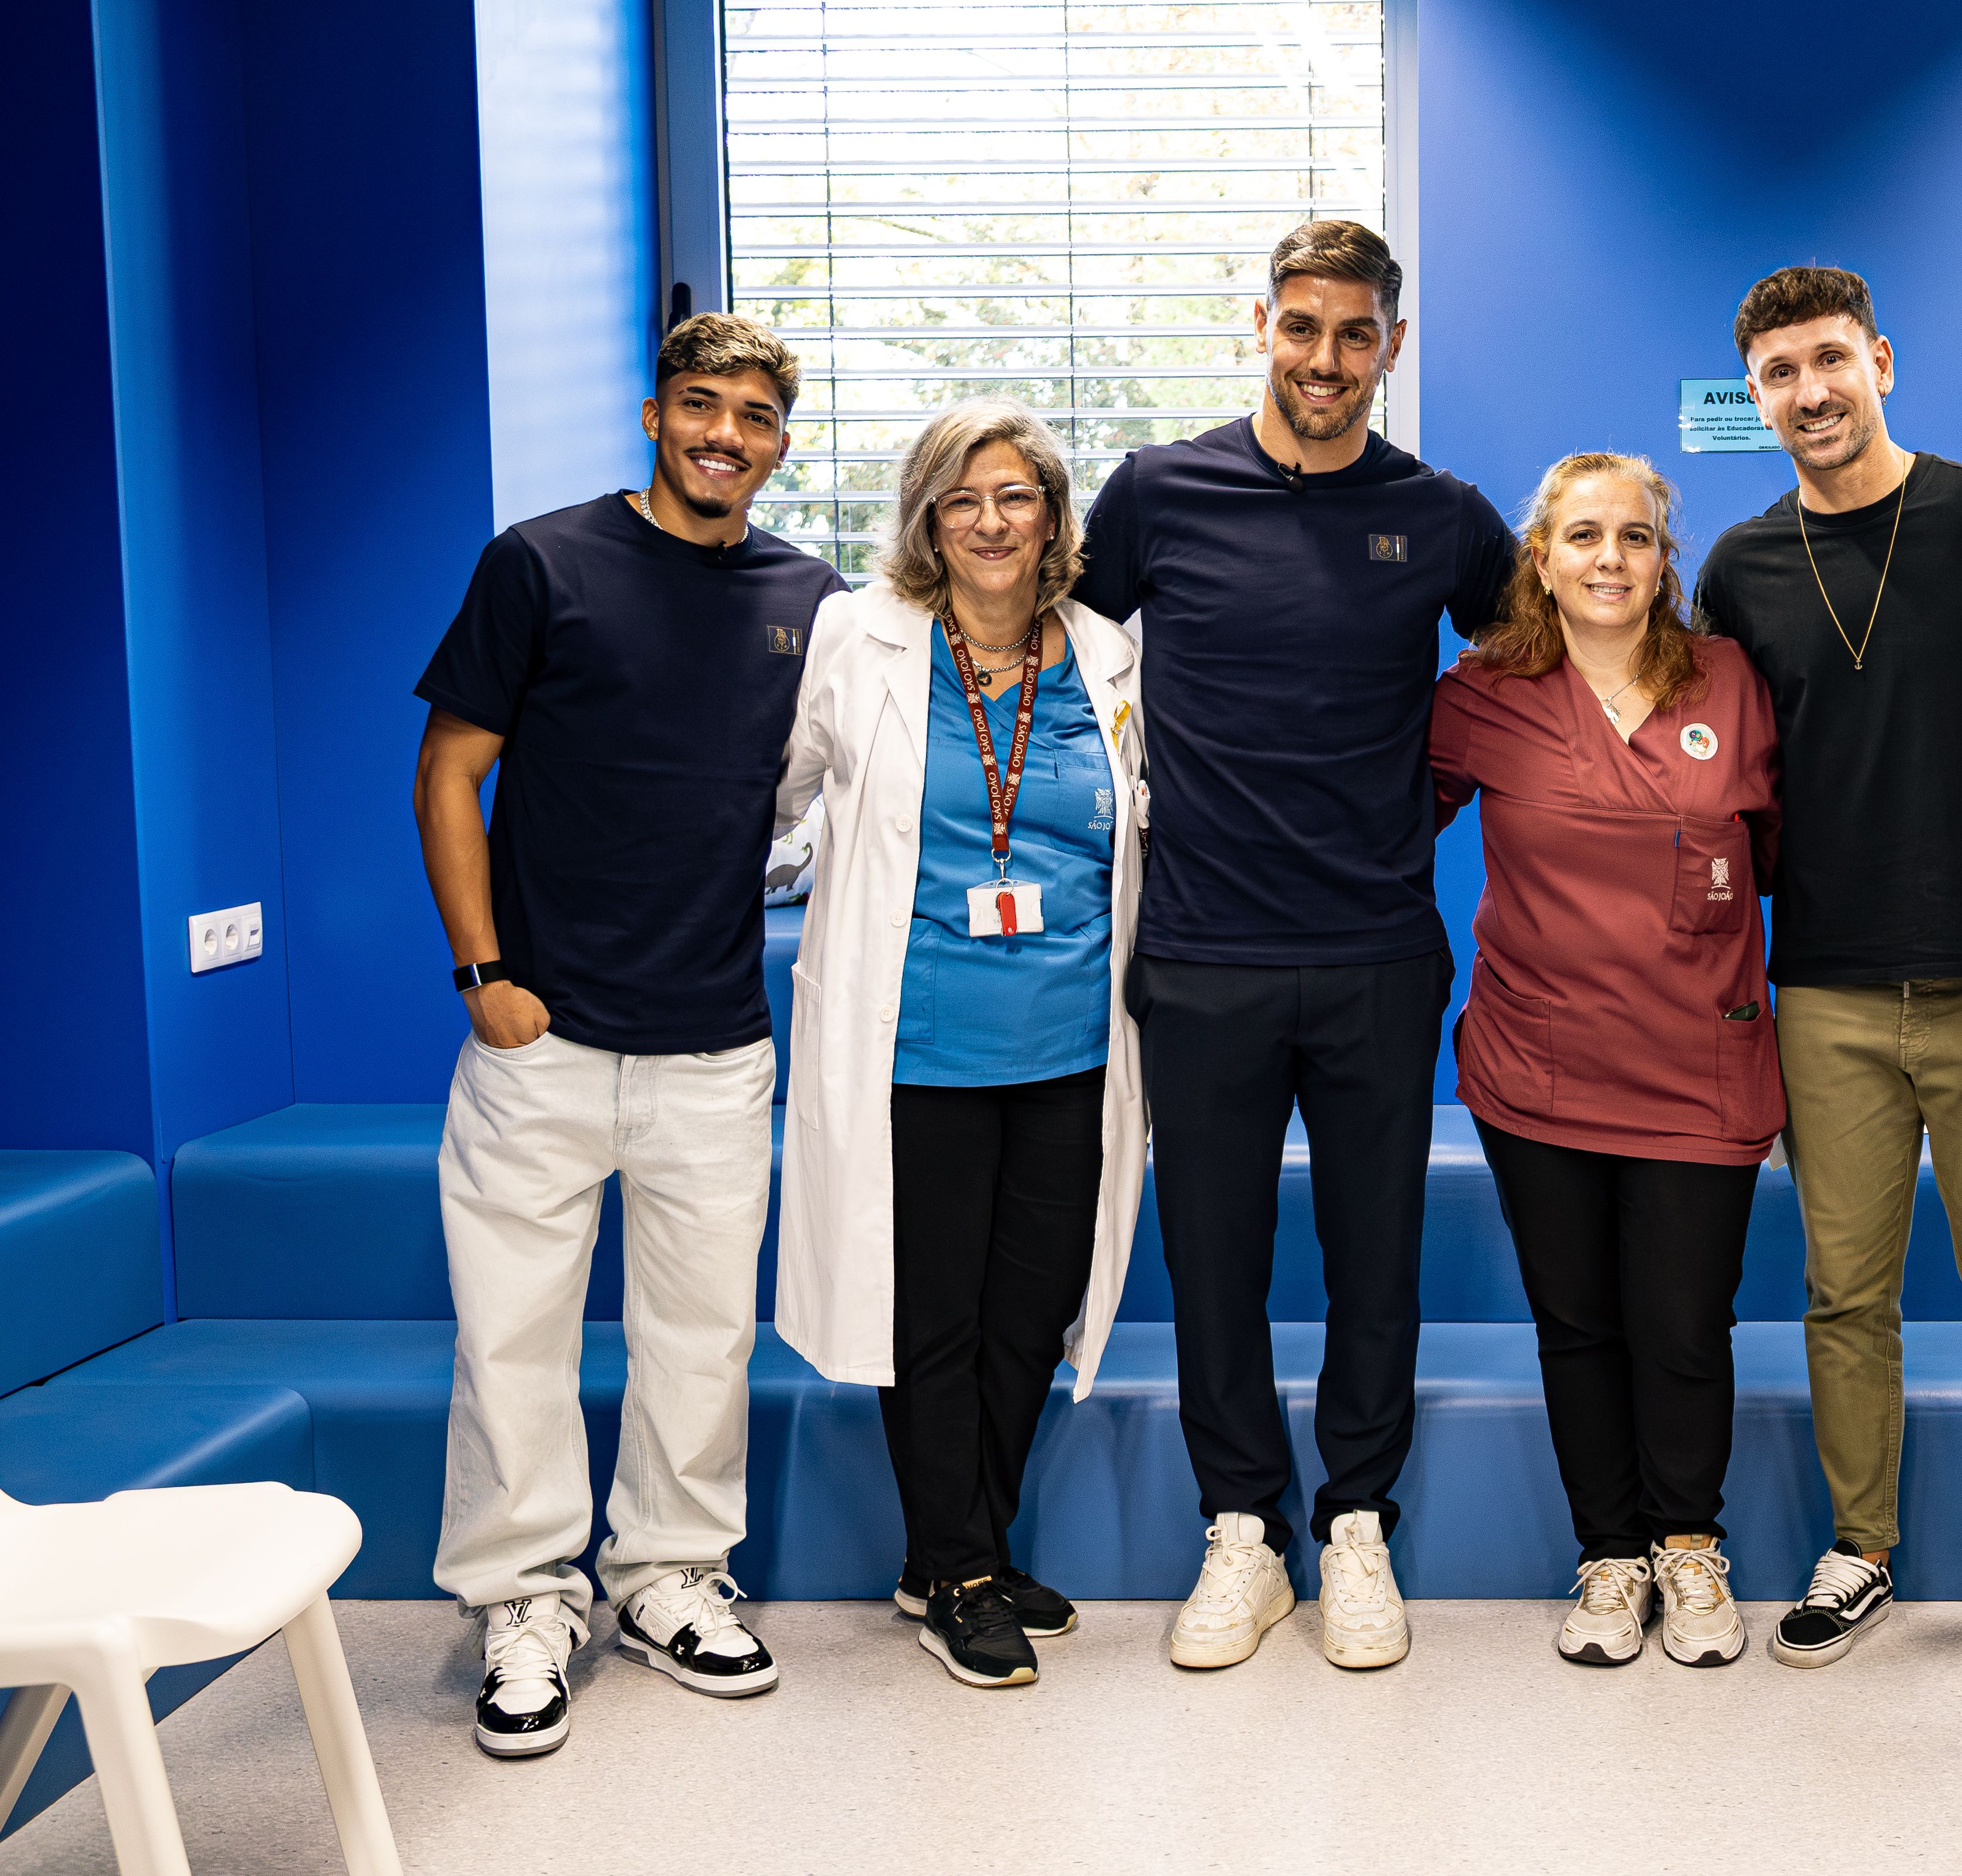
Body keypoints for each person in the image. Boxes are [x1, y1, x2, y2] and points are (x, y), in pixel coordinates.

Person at [1073, 220, 1517, 1670]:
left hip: (1380, 947)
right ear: (1261, 323)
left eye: (1354, 334)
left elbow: (1539, 666)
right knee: (1215, 1255)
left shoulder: (1439, 513)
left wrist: (1433, 797)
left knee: (1371, 1254)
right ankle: (1242, 1530)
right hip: (1201, 948)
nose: (1324, 359)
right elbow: (1052, 656)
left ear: (1390, 343)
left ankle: (1357, 1523)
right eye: (1300, 327)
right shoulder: (1156, 492)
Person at [412, 313, 840, 1757]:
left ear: (783, 439)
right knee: (514, 1336)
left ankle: (668, 1575)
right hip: (542, 1034)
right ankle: (523, 1602)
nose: (727, 434)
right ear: (654, 415)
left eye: (757, 415)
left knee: (701, 1340)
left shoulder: (810, 595)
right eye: (701, 405)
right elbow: (452, 766)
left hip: (715, 1038)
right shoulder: (542, 561)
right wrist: (484, 975)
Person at [1691, 266, 1962, 1685]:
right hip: (1828, 989)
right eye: (1779, 374)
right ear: (1758, 397)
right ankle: (1861, 1545)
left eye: (1829, 361)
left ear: (1882, 363)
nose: (1809, 392)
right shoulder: (1738, 566)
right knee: (1842, 1293)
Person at [771, 398, 1148, 1689]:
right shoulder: (858, 636)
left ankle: (951, 1551)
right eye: (961, 499)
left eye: (1017, 495)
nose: (992, 522)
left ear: (1054, 514)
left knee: (1026, 1312)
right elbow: (774, 793)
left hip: (1069, 1040)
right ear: (927, 518)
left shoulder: (1106, 652)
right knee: (931, 1315)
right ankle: (963, 1571)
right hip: (912, 1041)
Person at [1431, 453, 1783, 1668]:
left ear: (1661, 558)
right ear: (1539, 556)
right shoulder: (1483, 694)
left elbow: (1785, 845)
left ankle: (1688, 1546)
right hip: (1540, 1065)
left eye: (1633, 537)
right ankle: (1608, 1556)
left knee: (1683, 1320)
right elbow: (1364, 825)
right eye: (1581, 536)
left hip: (1701, 1060)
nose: (1609, 559)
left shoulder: (1731, 681)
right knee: (1575, 1321)